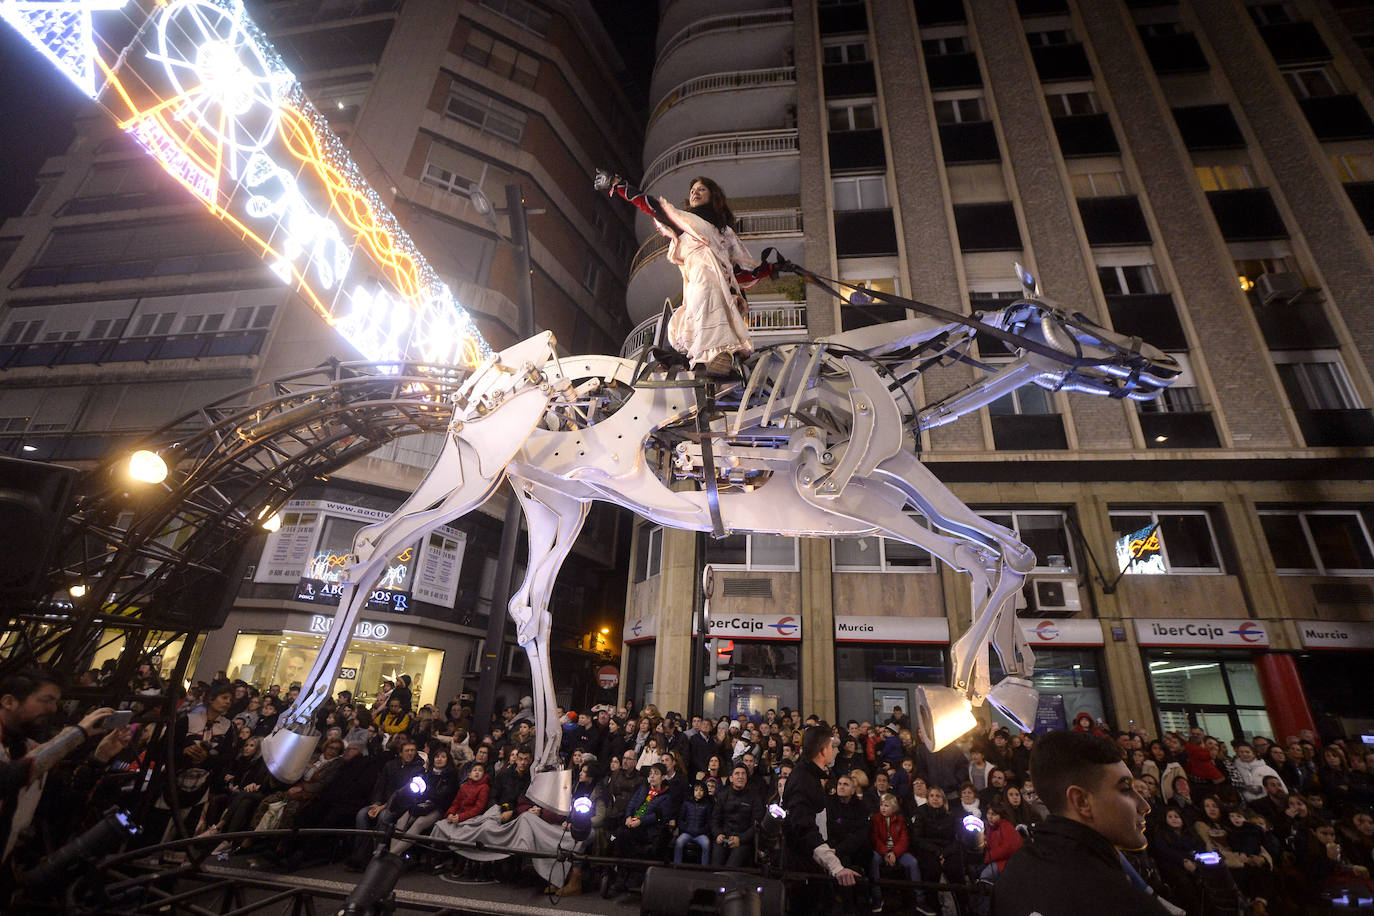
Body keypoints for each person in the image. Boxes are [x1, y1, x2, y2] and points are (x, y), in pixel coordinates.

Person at [596, 171, 771, 376]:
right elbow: (653, 207)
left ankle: (718, 361)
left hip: (725, 286)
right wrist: (619, 185)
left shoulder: (725, 233)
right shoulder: (686, 222)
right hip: (702, 279)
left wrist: (770, 269)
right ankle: (706, 361)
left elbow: (741, 272)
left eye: (701, 189)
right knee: (705, 318)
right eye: (693, 190)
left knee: (723, 324)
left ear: (713, 195)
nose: (695, 193)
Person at [992, 730, 1170, 916]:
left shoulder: (1014, 875)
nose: (1144, 805)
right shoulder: (1119, 902)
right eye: (1125, 789)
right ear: (1081, 801)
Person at [781, 724, 860, 916]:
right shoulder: (803, 779)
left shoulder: (809, 776)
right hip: (802, 868)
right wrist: (834, 866)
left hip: (811, 862)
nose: (835, 750)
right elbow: (804, 827)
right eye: (832, 746)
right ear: (824, 750)